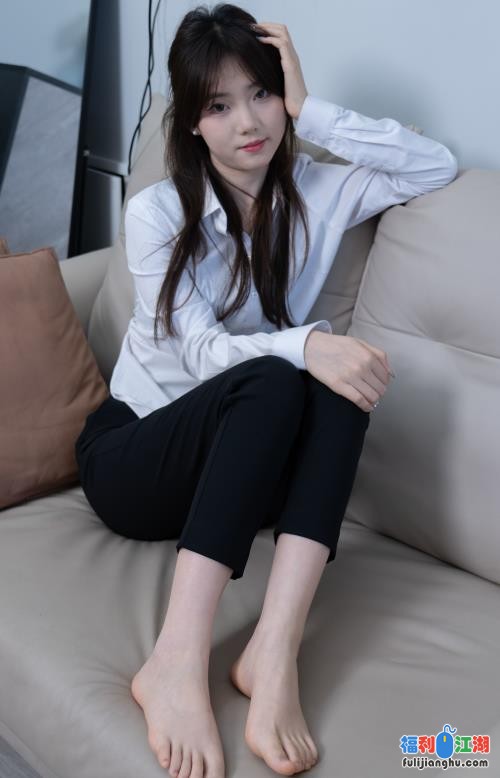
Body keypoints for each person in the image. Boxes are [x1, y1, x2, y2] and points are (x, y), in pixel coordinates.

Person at [74, 4, 458, 777]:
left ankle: (272, 653)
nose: (248, 122)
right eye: (219, 106)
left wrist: (311, 109)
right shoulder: (156, 214)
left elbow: (433, 167)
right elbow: (204, 354)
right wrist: (307, 343)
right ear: (191, 123)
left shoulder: (316, 189)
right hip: (136, 459)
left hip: (242, 473)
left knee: (342, 380)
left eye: (261, 93)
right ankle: (174, 662)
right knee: (285, 375)